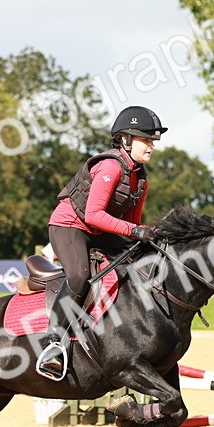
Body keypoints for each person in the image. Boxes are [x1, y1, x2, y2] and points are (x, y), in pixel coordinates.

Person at [35, 106, 167, 381]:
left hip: (98, 231)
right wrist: (135, 229)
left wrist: (149, 235)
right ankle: (52, 343)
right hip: (70, 227)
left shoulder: (141, 179)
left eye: (153, 141)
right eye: (146, 139)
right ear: (126, 140)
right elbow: (94, 215)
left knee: (137, 265)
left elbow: (132, 227)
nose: (151, 146)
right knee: (80, 276)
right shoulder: (109, 167)